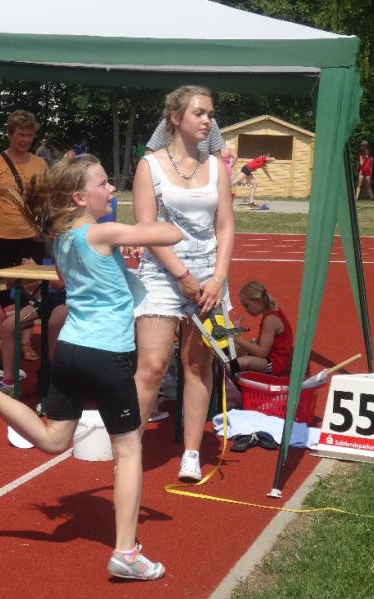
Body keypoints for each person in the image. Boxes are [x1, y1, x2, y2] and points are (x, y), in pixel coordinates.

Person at [0, 154, 181, 580]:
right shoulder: (101, 231)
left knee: (54, 439)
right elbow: (171, 233)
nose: (112, 189)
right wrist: (156, 209)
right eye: (103, 183)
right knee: (129, 449)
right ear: (79, 197)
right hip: (107, 354)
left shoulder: (64, 239)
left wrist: (125, 244)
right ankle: (126, 553)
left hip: (70, 350)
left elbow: (83, 276)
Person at [132, 85, 234, 482]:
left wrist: (218, 278)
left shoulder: (217, 167)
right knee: (152, 366)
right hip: (162, 275)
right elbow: (146, 228)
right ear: (175, 118)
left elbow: (225, 226)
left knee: (197, 365)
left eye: (210, 113)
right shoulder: (149, 166)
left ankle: (191, 452)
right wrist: (182, 275)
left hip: (209, 279)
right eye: (199, 113)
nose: (208, 120)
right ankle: (130, 447)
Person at [0, 110, 49, 307]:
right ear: (10, 135)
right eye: (21, 134)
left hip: (31, 236)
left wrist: (45, 227)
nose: (25, 140)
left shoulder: (40, 164)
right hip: (0, 236)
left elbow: (45, 200)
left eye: (29, 135)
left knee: (32, 291)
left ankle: (27, 328)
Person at [0, 258, 68, 394]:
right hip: (50, 300)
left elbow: (62, 285)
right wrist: (35, 277)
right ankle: (9, 383)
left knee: (54, 324)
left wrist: (37, 270)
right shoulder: (58, 249)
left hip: (71, 300)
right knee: (9, 325)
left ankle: (55, 385)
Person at [233, 281, 293, 377]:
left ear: (258, 301)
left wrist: (238, 339)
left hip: (276, 363)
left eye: (247, 305)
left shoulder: (270, 320)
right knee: (239, 348)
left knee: (244, 362)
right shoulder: (273, 311)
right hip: (273, 357)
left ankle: (224, 371)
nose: (246, 310)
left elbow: (262, 353)